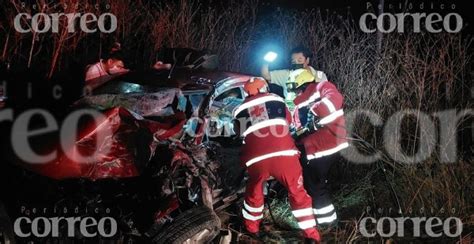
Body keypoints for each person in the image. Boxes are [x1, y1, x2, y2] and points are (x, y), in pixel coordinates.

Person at [232, 77, 321, 243]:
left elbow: (240, 135)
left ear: (246, 92)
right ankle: (311, 235)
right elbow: (289, 122)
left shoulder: (239, 110)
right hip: (284, 156)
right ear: (265, 88)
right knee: (298, 193)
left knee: (254, 193)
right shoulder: (277, 100)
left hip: (256, 160)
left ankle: (252, 230)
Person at [287, 69, 349, 227]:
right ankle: (325, 221)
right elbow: (299, 129)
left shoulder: (322, 87)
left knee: (316, 187)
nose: (294, 92)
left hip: (323, 148)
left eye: (295, 88)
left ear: (302, 83)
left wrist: (314, 112)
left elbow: (335, 99)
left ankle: (328, 224)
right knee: (315, 186)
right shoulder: (298, 104)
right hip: (314, 150)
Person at [261, 46, 327, 98]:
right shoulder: (287, 74)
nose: (297, 64)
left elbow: (326, 92)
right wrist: (265, 62)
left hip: (316, 110)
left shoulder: (319, 75)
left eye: (300, 60)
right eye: (293, 62)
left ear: (307, 60)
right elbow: (266, 75)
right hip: (294, 111)